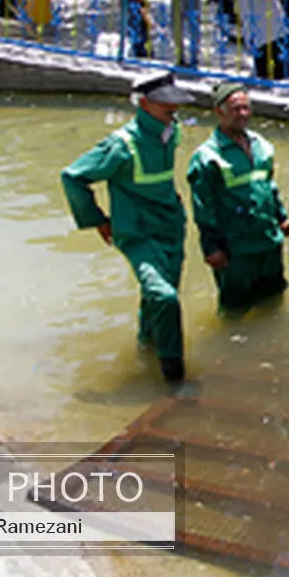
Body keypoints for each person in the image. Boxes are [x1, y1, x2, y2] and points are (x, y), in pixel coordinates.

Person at [61, 72, 199, 384]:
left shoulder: (171, 131)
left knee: (158, 301)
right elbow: (73, 176)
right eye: (166, 103)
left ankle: (145, 352)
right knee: (164, 298)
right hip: (138, 234)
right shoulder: (122, 145)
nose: (172, 110)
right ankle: (173, 375)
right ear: (145, 103)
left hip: (171, 229)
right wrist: (97, 220)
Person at [187, 84, 289, 314]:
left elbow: (269, 185)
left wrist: (282, 217)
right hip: (236, 249)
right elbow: (203, 207)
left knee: (273, 300)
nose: (243, 114)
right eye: (236, 109)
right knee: (236, 308)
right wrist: (211, 248)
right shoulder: (207, 157)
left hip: (268, 241)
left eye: (246, 108)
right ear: (219, 111)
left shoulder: (261, 145)